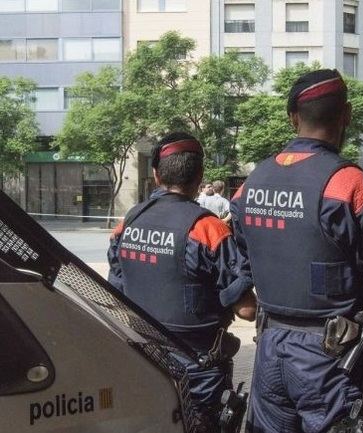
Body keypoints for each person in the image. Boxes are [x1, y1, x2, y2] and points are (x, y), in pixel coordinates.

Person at [230, 69, 363, 433]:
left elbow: (239, 258)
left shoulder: (252, 183)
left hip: (270, 346)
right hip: (330, 356)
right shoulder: (348, 183)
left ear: (293, 118)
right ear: (347, 115)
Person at [107, 132, 256, 431]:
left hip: (144, 360)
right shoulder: (208, 229)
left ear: (155, 174)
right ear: (199, 175)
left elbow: (116, 294)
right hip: (198, 371)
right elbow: (247, 311)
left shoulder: (128, 223)